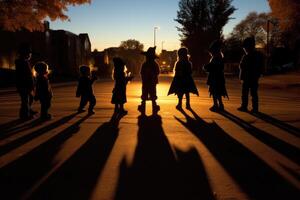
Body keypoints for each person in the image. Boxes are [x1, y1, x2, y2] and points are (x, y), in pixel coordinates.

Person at [238, 37, 264, 113]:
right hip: (253, 77)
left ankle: (245, 106)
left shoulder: (248, 56)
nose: (244, 49)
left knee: (247, 93)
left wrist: (241, 65)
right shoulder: (257, 56)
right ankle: (253, 108)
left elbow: (244, 66)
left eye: (245, 48)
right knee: (252, 93)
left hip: (249, 77)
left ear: (249, 47)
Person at [203, 40, 228, 112]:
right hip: (218, 77)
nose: (210, 53)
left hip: (215, 78)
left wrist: (206, 67)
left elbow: (212, 67)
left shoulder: (216, 58)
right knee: (217, 92)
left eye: (211, 51)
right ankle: (219, 104)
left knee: (214, 92)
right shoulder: (219, 58)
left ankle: (216, 105)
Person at [15, 43, 37, 119]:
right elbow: (25, 76)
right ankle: (24, 115)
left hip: (26, 85)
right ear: (25, 54)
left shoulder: (25, 62)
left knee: (30, 98)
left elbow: (29, 74)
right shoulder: (22, 63)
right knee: (25, 101)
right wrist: (31, 84)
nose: (30, 55)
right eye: (29, 54)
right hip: (24, 86)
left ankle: (29, 109)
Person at [138, 47, 160, 115]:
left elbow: (157, 72)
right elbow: (142, 72)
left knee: (149, 94)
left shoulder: (148, 64)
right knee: (149, 94)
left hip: (149, 82)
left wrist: (151, 74)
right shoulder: (148, 64)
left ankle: (147, 105)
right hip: (148, 82)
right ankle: (151, 105)